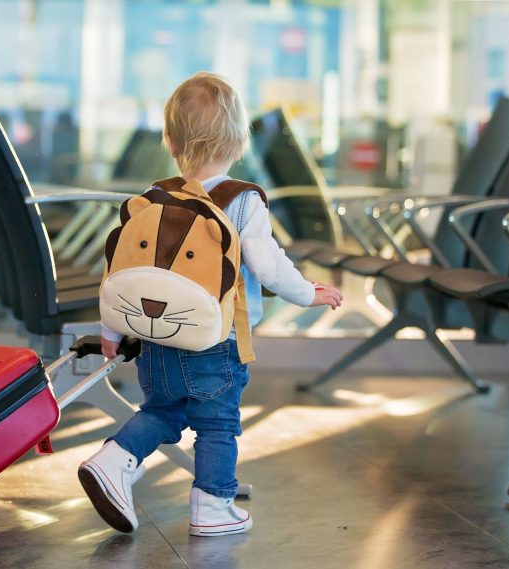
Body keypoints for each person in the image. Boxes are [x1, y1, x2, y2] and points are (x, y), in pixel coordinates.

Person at [78, 72, 343, 537]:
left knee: (162, 411)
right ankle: (214, 506)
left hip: (155, 338)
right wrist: (308, 294)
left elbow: (120, 272)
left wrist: (113, 333)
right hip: (215, 342)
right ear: (239, 140)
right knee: (217, 425)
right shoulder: (242, 203)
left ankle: (114, 458)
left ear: (170, 142)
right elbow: (269, 264)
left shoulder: (151, 199)